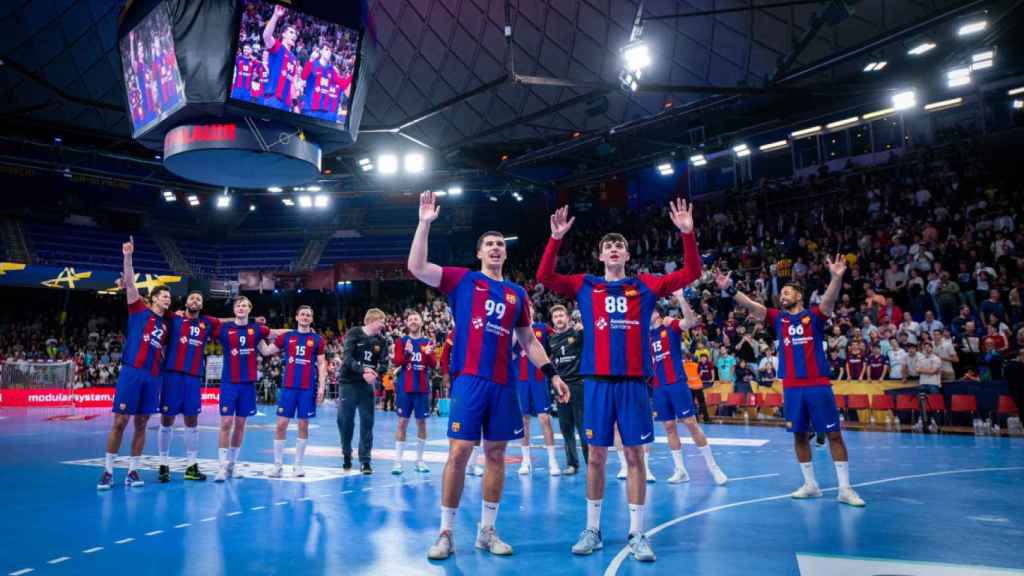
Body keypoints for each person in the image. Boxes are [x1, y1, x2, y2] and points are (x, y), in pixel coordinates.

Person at [538, 199, 701, 562]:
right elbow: (545, 278)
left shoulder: (643, 286)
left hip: (632, 383)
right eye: (608, 246)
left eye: (619, 245)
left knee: (633, 456)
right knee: (595, 456)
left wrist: (688, 235)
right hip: (595, 383)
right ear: (600, 256)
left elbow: (689, 274)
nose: (614, 249)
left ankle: (637, 533)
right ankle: (593, 529)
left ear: (627, 255)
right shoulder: (586, 285)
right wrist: (555, 239)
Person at [408, 192, 569, 560]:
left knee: (496, 454)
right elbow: (417, 267)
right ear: (479, 253)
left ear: (506, 253)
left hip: (503, 384)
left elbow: (528, 341)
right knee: (460, 451)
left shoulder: (516, 294)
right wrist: (424, 223)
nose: (496, 248)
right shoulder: (462, 280)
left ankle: (487, 530)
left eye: (500, 244)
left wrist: (552, 374)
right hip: (469, 378)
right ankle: (446, 532)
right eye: (489, 244)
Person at [716, 254, 866, 507]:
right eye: (782, 292)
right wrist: (729, 289)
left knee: (834, 435)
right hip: (792, 387)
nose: (783, 295)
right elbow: (754, 307)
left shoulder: (814, 316)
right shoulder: (778, 318)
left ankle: (844, 488)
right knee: (799, 435)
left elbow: (829, 301)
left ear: (799, 296)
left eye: (788, 292)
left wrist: (836, 278)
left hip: (817, 384)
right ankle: (810, 484)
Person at [98, 237, 171, 490]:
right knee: (120, 422)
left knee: (142, 424)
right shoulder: (138, 310)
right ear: (152, 298)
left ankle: (133, 471)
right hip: (132, 372)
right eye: (163, 296)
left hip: (153, 378)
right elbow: (129, 283)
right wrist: (127, 256)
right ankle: (107, 471)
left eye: (169, 297)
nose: (167, 300)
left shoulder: (166, 324)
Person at [649, 297, 727, 485]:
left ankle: (714, 468)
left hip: (677, 382)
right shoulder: (645, 336)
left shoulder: (671, 326)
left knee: (690, 423)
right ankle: (680, 470)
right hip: (658, 386)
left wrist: (681, 299)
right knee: (668, 427)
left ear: (658, 313)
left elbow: (690, 321)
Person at [157, 291, 219, 483]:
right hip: (172, 375)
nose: (195, 300)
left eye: (199, 299)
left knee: (192, 421)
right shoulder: (174, 318)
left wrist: (246, 319)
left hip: (193, 378)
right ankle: (163, 465)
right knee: (167, 420)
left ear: (202, 305)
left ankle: (191, 466)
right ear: (185, 302)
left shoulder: (206, 323)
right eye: (191, 297)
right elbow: (153, 308)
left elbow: (225, 322)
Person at [258, 305, 326, 477]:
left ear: (311, 319)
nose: (305, 317)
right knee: (281, 425)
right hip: (288, 387)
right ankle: (278, 465)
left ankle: (298, 465)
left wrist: (322, 386)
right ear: (296, 317)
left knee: (303, 425)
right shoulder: (287, 337)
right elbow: (266, 351)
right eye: (302, 314)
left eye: (308, 315)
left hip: (307, 388)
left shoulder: (318, 339)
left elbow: (322, 363)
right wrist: (257, 333)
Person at [213, 296, 272, 482]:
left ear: (249, 309)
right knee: (225, 423)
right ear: (234, 309)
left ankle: (232, 465)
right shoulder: (224, 329)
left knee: (240, 425)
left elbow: (270, 343)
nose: (241, 307)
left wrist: (295, 334)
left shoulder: (256, 330)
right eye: (238, 305)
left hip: (247, 383)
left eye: (245, 305)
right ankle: (221, 467)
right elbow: (206, 325)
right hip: (229, 382)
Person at [338, 308, 389, 474]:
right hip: (349, 383)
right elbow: (347, 357)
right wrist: (363, 371)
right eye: (382, 321)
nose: (383, 324)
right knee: (346, 421)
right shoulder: (354, 333)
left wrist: (376, 374)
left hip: (367, 384)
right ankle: (346, 454)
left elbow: (384, 363)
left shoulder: (382, 340)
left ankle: (365, 460)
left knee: (367, 422)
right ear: (373, 320)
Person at [514, 306, 560, 476]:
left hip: (540, 381)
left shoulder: (542, 329)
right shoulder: (513, 331)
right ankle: (525, 461)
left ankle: (552, 460)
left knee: (545, 419)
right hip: (521, 382)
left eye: (529, 309)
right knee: (524, 421)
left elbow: (559, 342)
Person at [391, 309, 435, 475]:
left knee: (421, 423)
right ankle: (398, 462)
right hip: (405, 388)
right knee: (402, 422)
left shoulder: (427, 342)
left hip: (422, 388)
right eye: (410, 319)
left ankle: (419, 460)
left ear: (421, 322)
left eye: (416, 319)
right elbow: (397, 361)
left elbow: (433, 365)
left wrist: (430, 355)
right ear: (406, 323)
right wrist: (407, 352)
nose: (413, 321)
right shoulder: (401, 341)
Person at [548, 304, 587, 475]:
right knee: (566, 428)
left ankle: (590, 462)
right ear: (553, 321)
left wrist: (583, 331)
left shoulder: (578, 333)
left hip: (578, 385)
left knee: (583, 427)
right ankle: (572, 464)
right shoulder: (551, 340)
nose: (558, 319)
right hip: (560, 387)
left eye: (561, 315)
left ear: (568, 318)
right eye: (555, 316)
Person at [261, 4, 299, 111]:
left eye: (295, 34)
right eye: (291, 32)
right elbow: (266, 36)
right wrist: (275, 16)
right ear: (283, 34)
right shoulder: (278, 47)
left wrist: (295, 105)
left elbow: (292, 83)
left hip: (286, 104)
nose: (294, 35)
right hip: (273, 99)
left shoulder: (294, 59)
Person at [913, 342, 942, 433]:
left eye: (928, 347)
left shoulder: (936, 359)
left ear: (932, 348)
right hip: (922, 384)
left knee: (934, 405)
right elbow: (917, 370)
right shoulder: (920, 358)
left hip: (933, 384)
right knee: (922, 406)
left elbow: (933, 371)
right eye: (925, 347)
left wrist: (923, 370)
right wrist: (927, 370)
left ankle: (937, 424)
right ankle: (925, 423)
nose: (926, 349)